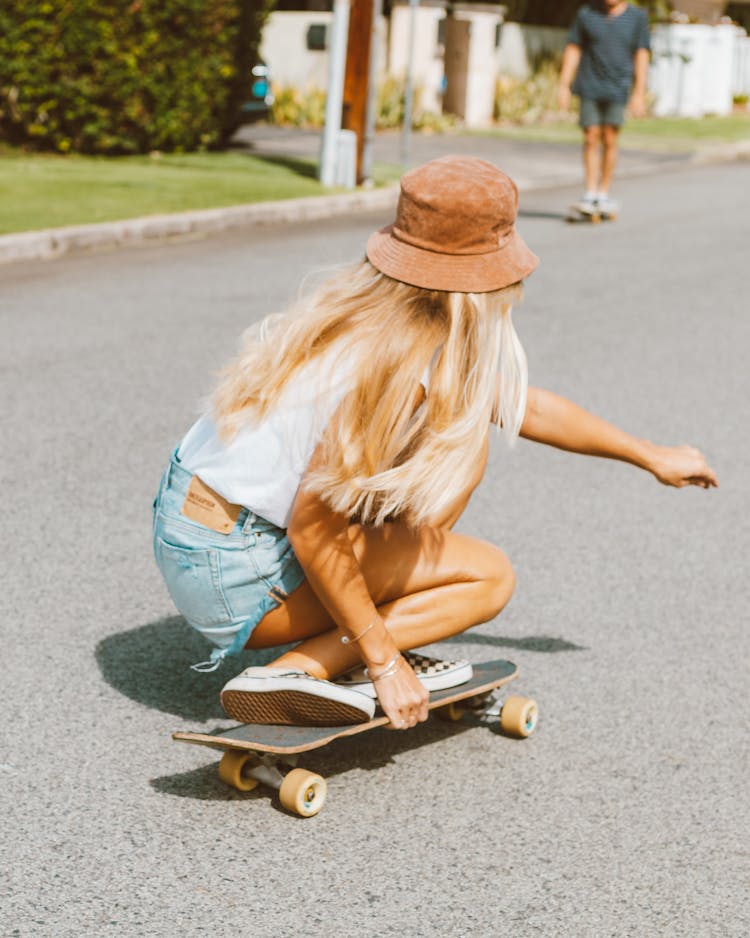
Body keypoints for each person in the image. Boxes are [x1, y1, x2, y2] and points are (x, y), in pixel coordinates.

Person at [152, 155, 717, 732]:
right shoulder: (382, 372)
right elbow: (314, 530)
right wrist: (383, 658)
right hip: (238, 572)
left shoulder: (367, 316)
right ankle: (299, 670)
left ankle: (349, 637)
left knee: (467, 429)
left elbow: (529, 407)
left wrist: (649, 455)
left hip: (196, 536)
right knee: (488, 575)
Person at [557, 1, 651, 215]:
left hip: (618, 87)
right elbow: (574, 47)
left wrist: (639, 92)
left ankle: (603, 193)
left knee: (610, 138)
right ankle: (590, 192)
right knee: (590, 137)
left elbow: (642, 54)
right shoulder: (587, 14)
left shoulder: (637, 17)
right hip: (589, 85)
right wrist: (564, 85)